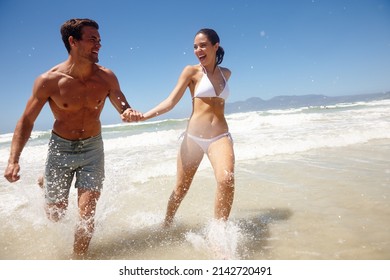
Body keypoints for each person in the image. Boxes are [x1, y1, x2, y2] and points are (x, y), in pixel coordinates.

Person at [3, 18, 142, 257]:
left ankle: (79, 263)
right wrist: (13, 159)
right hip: (61, 148)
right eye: (92, 39)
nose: (98, 44)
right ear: (73, 41)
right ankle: (44, 182)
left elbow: (122, 105)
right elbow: (26, 121)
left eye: (99, 40)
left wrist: (128, 112)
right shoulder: (49, 81)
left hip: (93, 149)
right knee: (56, 215)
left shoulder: (107, 77)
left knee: (87, 213)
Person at [127, 28, 235, 227]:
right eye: (195, 46)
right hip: (194, 138)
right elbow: (170, 102)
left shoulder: (226, 73)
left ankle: (220, 234)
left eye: (203, 45)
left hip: (220, 136)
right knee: (181, 188)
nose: (198, 50)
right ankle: (166, 223)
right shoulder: (191, 72)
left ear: (215, 46)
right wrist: (144, 116)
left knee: (226, 180)